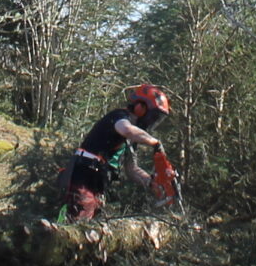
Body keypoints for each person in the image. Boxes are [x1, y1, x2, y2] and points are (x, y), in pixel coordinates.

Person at [61, 84, 173, 221]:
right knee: (78, 221)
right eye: (153, 116)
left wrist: (151, 183)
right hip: (83, 174)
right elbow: (126, 130)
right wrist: (155, 142)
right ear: (140, 107)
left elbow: (132, 169)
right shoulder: (120, 117)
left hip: (97, 180)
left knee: (91, 223)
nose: (153, 121)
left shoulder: (132, 137)